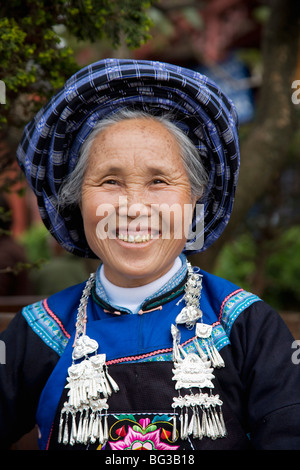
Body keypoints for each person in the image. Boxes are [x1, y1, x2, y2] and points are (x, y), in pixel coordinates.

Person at [0, 58, 299, 451]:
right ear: (77, 201)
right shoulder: (39, 332)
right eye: (110, 181)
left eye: (159, 181)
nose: (134, 207)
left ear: (195, 199)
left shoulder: (247, 326)